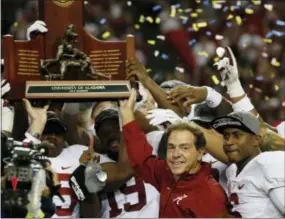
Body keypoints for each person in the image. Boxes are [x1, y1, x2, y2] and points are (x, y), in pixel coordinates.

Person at [119, 89, 231, 218]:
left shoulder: (209, 194)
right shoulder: (167, 173)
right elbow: (143, 160)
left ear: (200, 153)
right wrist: (127, 115)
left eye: (184, 148)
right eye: (171, 147)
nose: (176, 154)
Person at [22, 99, 100, 218]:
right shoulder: (29, 156)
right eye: (47, 131)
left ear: (64, 139)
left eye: (58, 133)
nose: (53, 136)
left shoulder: (78, 153)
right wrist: (36, 124)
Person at [211, 111, 285, 218]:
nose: (228, 142)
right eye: (226, 136)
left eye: (237, 135)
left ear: (255, 140)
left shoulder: (269, 163)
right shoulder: (231, 171)